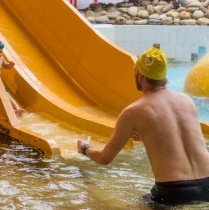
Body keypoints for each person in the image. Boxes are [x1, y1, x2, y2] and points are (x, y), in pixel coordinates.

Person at [77, 47, 209, 206]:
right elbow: (177, 136)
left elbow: (104, 158)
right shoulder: (186, 100)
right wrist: (146, 134)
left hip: (174, 191)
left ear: (140, 76)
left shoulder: (133, 112)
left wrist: (85, 149)